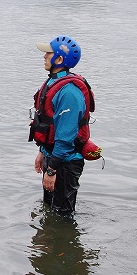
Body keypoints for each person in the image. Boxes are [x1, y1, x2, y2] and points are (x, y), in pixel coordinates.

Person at [29, 36, 94, 218]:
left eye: (48, 53)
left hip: (65, 163)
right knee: (49, 212)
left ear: (59, 59)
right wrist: (42, 151)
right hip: (53, 157)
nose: (44, 57)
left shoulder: (69, 92)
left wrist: (52, 170)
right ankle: (50, 244)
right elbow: (50, 126)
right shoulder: (53, 82)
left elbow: (66, 135)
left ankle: (63, 245)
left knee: (62, 218)